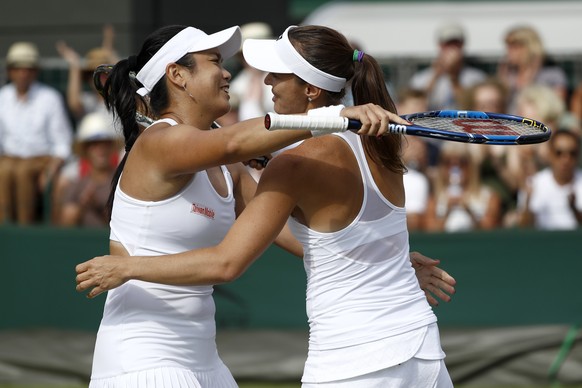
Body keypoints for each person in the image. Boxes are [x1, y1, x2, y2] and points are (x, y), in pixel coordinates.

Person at [76, 25, 456, 387]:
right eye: (215, 62)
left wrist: (384, 256)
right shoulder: (160, 143)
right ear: (177, 76)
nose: (229, 74)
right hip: (140, 360)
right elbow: (232, 148)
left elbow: (299, 238)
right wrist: (332, 117)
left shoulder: (232, 168)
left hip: (204, 361)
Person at [0, 41, 73, 225]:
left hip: (41, 159)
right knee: (6, 170)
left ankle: (24, 228)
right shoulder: (3, 97)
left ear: (35, 72)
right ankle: (5, 228)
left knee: (22, 172)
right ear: (10, 72)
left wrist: (51, 168)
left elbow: (62, 142)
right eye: (18, 69)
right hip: (9, 159)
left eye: (28, 69)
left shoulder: (49, 98)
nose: (23, 74)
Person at [58, 112, 121, 227]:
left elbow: (124, 224)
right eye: (94, 145)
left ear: (112, 147)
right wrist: (81, 207)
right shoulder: (76, 185)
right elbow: (64, 224)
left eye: (105, 144)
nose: (100, 149)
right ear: (85, 151)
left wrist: (97, 206)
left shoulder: (122, 184)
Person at [424, 141, 502, 232]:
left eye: (462, 162)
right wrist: (447, 210)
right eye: (448, 162)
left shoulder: (488, 196)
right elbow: (430, 232)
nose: (455, 168)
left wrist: (468, 209)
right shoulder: (434, 199)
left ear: (471, 165)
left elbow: (490, 228)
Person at [408, 22, 486, 111]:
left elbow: (472, 107)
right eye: (448, 44)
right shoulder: (421, 78)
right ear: (440, 45)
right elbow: (415, 106)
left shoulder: (476, 77)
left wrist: (453, 77)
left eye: (456, 44)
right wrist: (435, 76)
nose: (452, 48)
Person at [517, 129, 582, 229]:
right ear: (550, 154)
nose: (566, 159)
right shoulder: (535, 184)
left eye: (572, 153)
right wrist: (528, 201)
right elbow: (523, 228)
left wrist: (574, 209)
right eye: (559, 153)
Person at [497, 25, 568, 115]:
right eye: (508, 47)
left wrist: (529, 78)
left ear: (530, 47)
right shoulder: (509, 74)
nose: (509, 52)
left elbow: (558, 108)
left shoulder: (552, 74)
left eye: (514, 47)